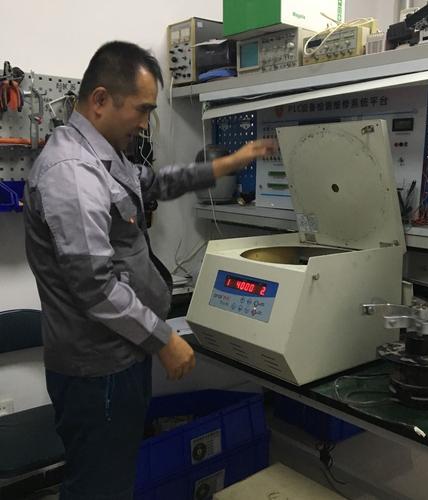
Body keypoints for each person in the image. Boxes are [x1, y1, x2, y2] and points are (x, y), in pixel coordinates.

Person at [24, 41, 276, 500]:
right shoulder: (72, 173)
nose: (144, 123)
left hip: (120, 358)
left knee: (112, 478)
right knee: (98, 488)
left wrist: (228, 163)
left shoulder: (104, 157)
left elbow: (154, 183)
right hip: (98, 371)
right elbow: (95, 287)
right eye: (141, 109)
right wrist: (164, 339)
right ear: (101, 100)